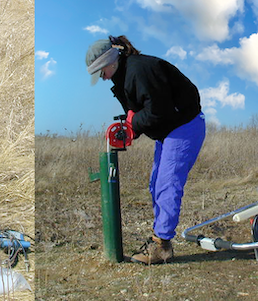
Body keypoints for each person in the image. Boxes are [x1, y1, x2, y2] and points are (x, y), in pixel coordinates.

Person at [85, 35, 206, 265]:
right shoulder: (123, 77)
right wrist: (131, 128)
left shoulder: (140, 70)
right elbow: (142, 114)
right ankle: (160, 238)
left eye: (101, 71)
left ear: (111, 62)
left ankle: (162, 246)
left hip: (184, 127)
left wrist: (132, 123)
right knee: (155, 184)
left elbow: (158, 111)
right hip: (167, 131)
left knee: (167, 184)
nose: (102, 78)